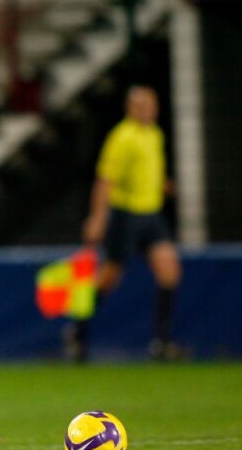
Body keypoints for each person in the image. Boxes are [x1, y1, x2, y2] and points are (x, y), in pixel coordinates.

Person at [71, 85, 182, 361]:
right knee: (108, 280)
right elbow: (105, 180)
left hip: (152, 214)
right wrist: (97, 218)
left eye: (152, 105)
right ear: (130, 108)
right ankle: (78, 332)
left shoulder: (154, 134)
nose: (149, 110)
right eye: (143, 105)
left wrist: (163, 184)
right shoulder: (122, 137)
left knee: (169, 272)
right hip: (126, 215)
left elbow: (148, 169)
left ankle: (162, 342)